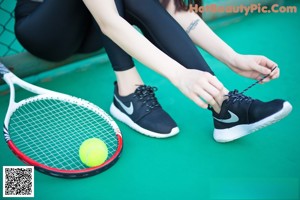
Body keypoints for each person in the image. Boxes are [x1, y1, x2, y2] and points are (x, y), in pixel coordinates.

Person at [14, 0, 292, 142]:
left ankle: (224, 105)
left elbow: (173, 10)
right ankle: (127, 92)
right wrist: (179, 74)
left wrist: (233, 58)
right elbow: (110, 23)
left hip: (91, 29)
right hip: (45, 32)